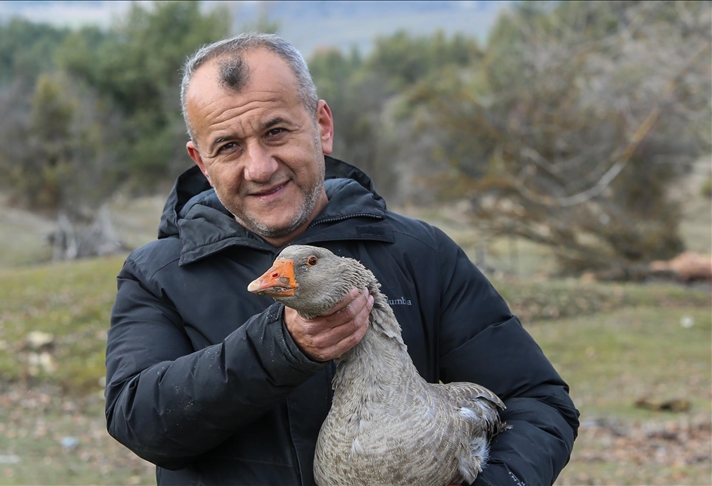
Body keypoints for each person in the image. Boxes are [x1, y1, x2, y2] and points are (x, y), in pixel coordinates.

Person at [105, 33, 579, 486]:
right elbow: (140, 422)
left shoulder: (419, 252)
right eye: (228, 146)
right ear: (202, 163)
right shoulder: (157, 276)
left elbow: (536, 403)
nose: (260, 167)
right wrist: (280, 348)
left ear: (322, 125)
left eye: (276, 131)